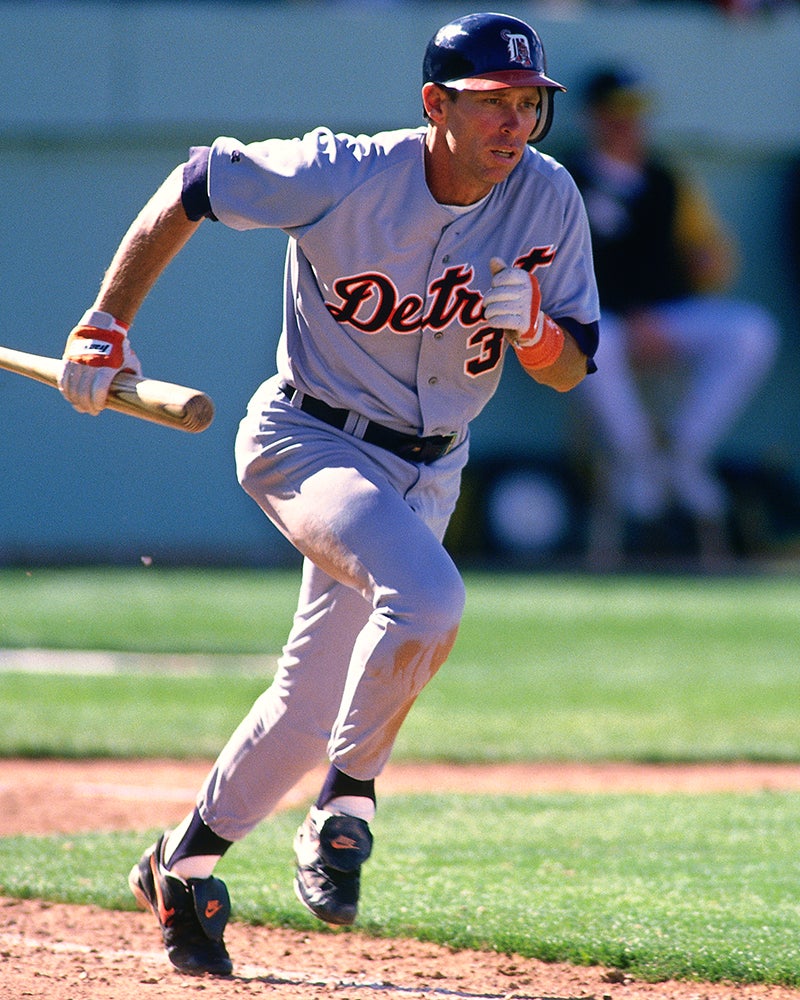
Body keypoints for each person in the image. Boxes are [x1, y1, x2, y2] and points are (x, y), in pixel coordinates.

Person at [56, 12, 599, 977]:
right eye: (491, 104)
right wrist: (105, 324)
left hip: (432, 466)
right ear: (434, 105)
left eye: (529, 104)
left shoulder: (549, 195)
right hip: (308, 440)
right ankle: (346, 803)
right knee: (427, 600)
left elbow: (572, 367)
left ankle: (182, 865)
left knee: (308, 705)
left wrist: (536, 335)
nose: (514, 124)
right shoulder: (343, 171)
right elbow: (195, 183)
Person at [566, 65, 778, 554]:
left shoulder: (667, 178)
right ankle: (637, 459)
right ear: (594, 118)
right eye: (617, 114)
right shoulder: (569, 178)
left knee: (751, 331)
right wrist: (629, 312)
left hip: (667, 315)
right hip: (603, 317)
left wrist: (707, 263)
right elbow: (559, 268)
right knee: (593, 343)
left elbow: (713, 259)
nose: (628, 125)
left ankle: (684, 450)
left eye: (636, 114)